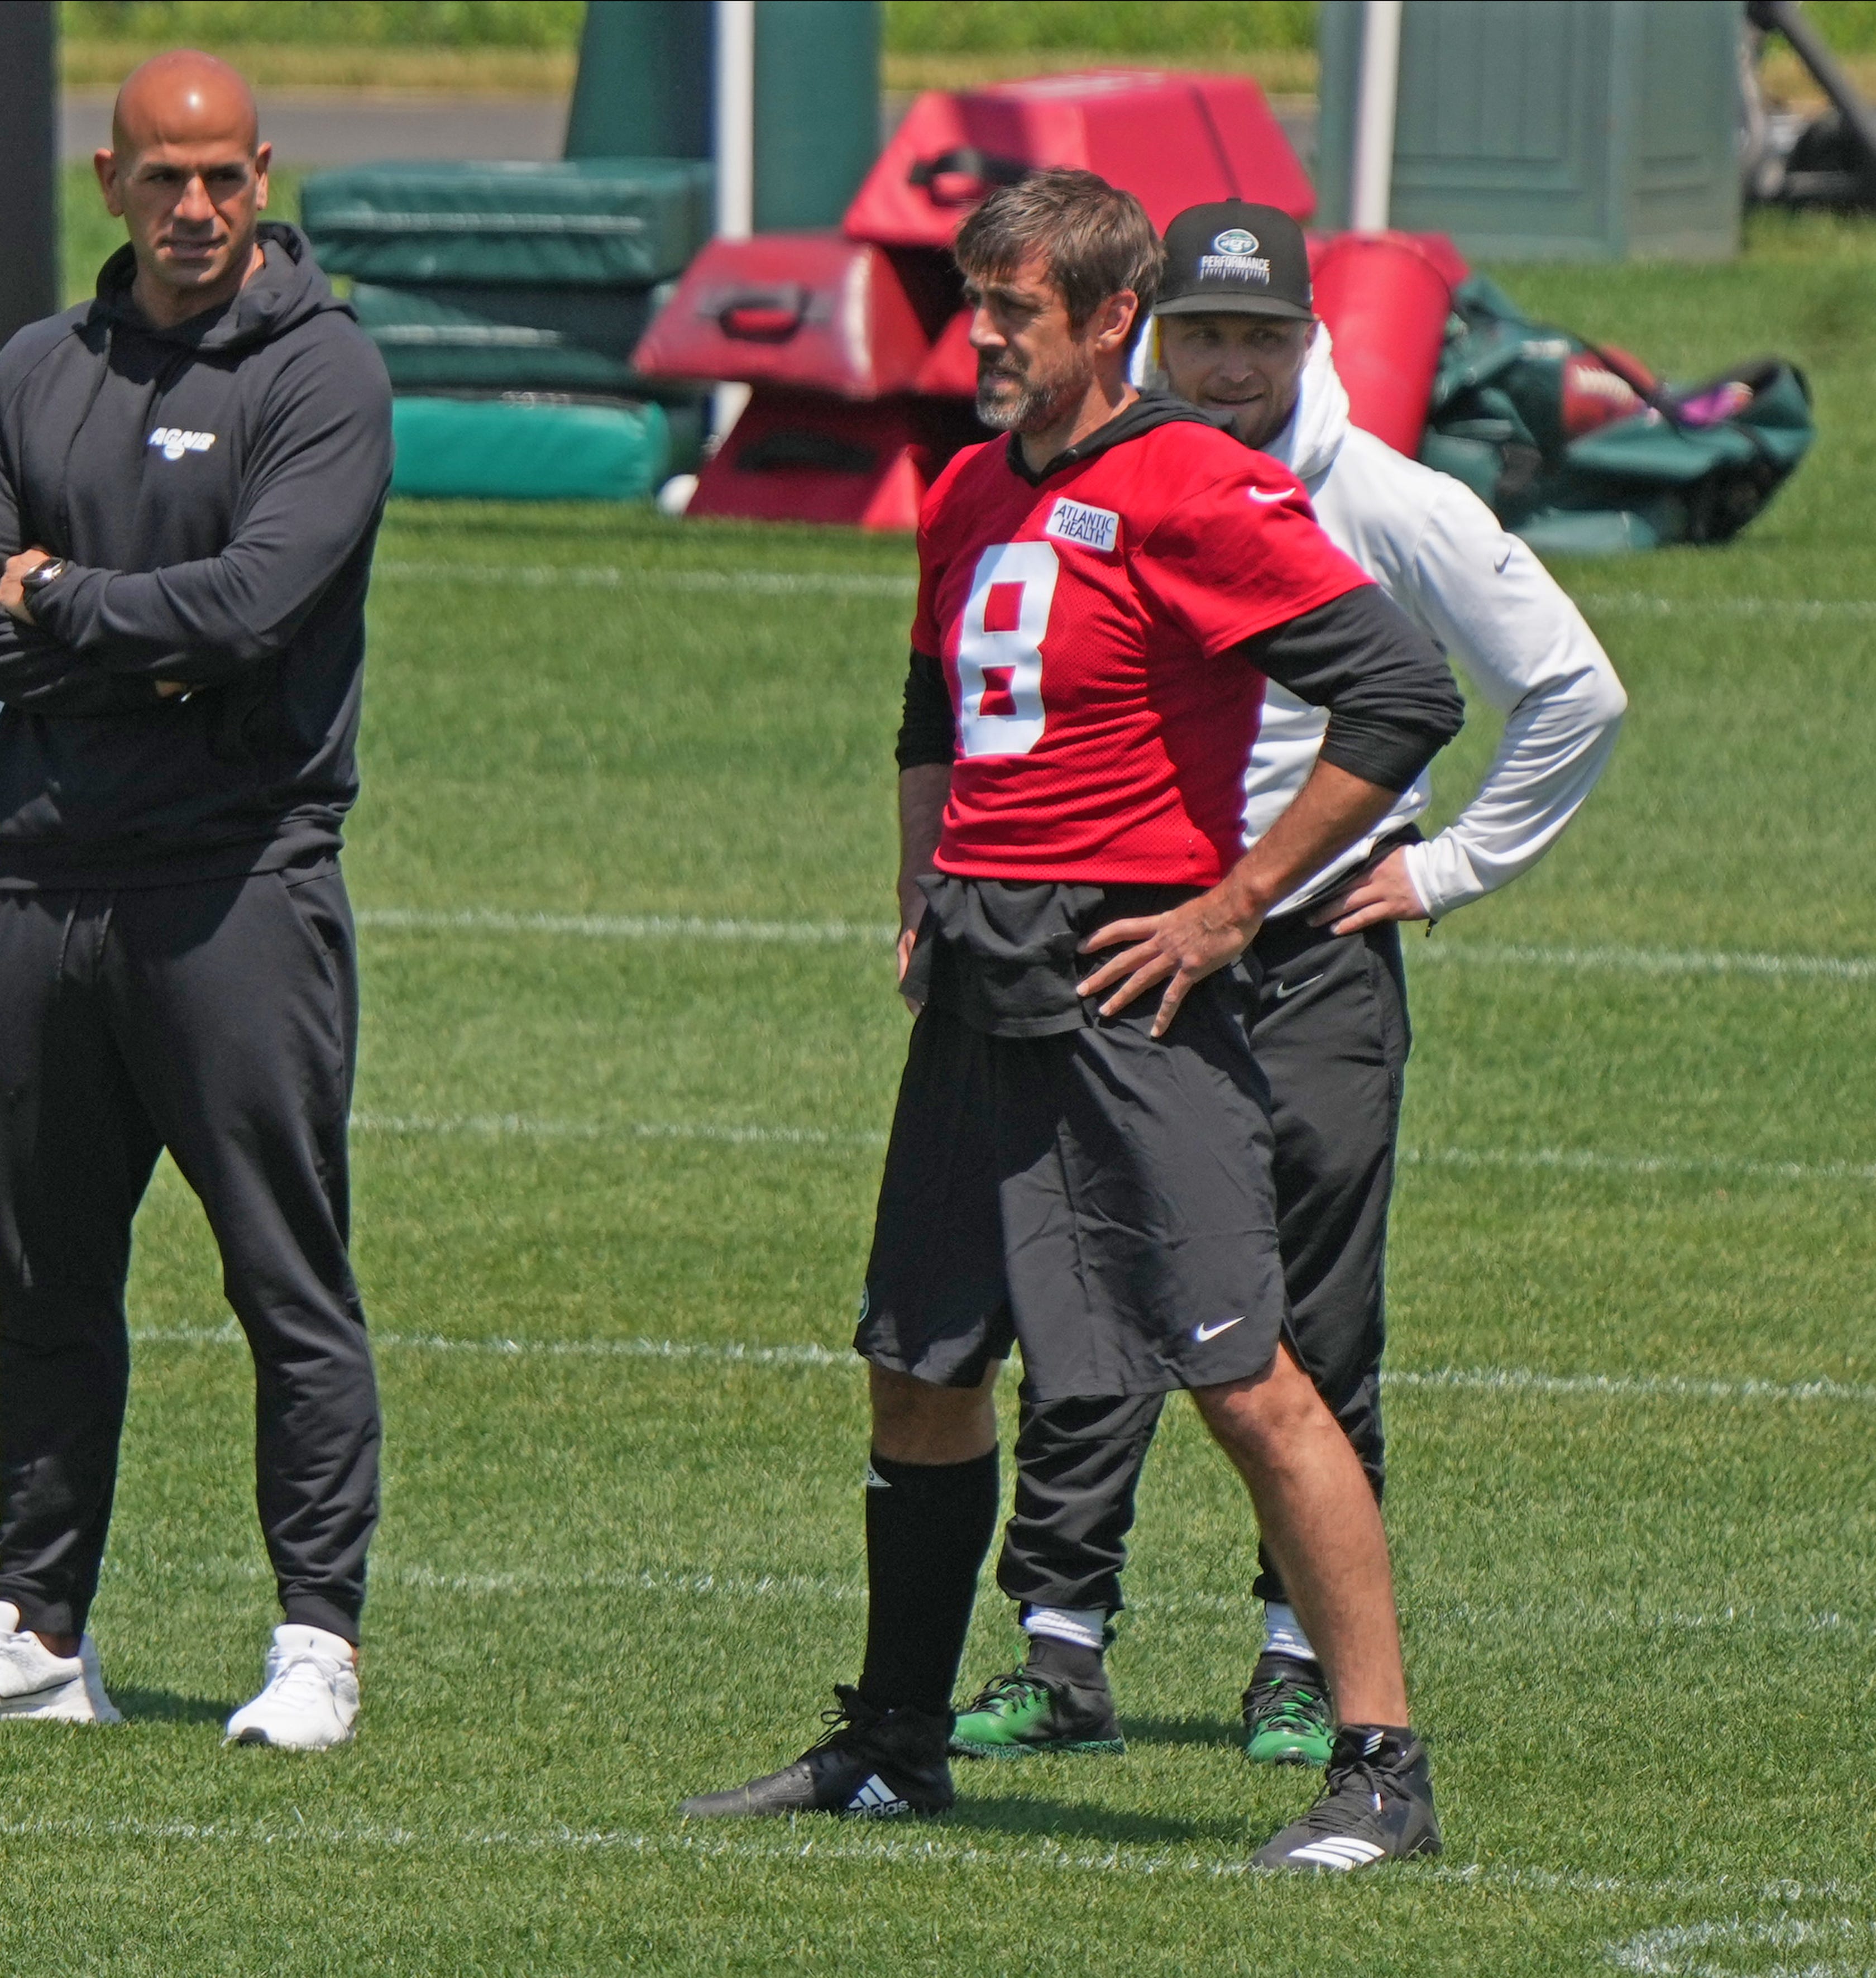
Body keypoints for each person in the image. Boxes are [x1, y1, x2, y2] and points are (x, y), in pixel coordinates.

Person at [678, 170, 1467, 1870]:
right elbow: (929, 702)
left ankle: (1381, 1767)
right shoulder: (968, 487)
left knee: (1244, 1380)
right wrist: (920, 883)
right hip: (981, 981)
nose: (977, 339)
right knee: (919, 1367)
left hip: (1126, 988)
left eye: (1011, 311)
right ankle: (896, 1741)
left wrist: (1234, 904)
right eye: (971, 305)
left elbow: (1404, 691)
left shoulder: (1198, 480)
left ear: (1114, 321)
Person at [947, 202, 1625, 1771]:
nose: (1232, 366)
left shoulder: (1387, 498)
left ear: (1313, 342)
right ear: (1145, 334)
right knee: (1088, 1295)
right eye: (1204, 335)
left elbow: (1572, 689)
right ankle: (1060, 1648)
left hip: (1311, 957)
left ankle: (1298, 1664)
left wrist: (1444, 871)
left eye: (1263, 337)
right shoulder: (1104, 477)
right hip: (1133, 941)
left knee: (1312, 1315)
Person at [0, 51, 393, 1749]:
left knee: (284, 1280)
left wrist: (65, 603)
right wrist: (140, 648)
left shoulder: (322, 372)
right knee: (43, 1281)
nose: (196, 207)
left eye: (224, 176)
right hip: (40, 886)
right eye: (164, 177)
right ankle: (36, 1633)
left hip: (237, 887)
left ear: (264, 175)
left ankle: (316, 1644)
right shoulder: (39, 368)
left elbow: (253, 611)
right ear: (111, 183)